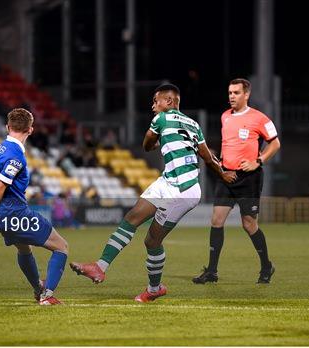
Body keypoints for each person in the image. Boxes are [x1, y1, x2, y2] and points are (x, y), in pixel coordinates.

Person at [69, 84, 236, 302]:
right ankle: (99, 267)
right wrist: (223, 174)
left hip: (182, 190)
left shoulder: (162, 118)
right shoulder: (194, 124)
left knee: (152, 241)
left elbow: (147, 145)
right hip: (168, 182)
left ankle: (154, 288)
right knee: (131, 218)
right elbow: (207, 157)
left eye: (156, 101)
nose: (153, 106)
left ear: (168, 102)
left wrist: (155, 142)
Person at [0, 108, 69, 306]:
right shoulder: (15, 156)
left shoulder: (0, 148)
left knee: (24, 249)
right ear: (30, 130)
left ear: (8, 127)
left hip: (2, 215)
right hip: (14, 212)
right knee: (62, 247)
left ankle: (38, 289)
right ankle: (48, 295)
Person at [193, 78, 280, 285]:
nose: (231, 96)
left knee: (248, 224)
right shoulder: (225, 117)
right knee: (216, 220)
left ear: (246, 94)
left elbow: (275, 144)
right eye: (230, 92)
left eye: (236, 93)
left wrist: (257, 161)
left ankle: (266, 266)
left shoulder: (259, 118)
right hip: (227, 176)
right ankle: (212, 271)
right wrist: (222, 165)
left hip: (248, 178)